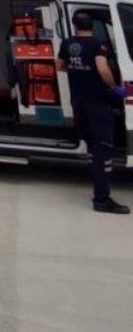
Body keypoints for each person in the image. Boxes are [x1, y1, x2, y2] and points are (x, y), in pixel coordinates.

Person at [56, 12, 130, 214]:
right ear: (92, 26)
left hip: (79, 103)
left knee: (92, 147)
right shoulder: (99, 44)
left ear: (74, 26)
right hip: (98, 103)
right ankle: (102, 199)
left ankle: (98, 185)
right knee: (103, 149)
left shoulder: (67, 43)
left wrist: (78, 72)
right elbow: (103, 69)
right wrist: (114, 88)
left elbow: (60, 66)